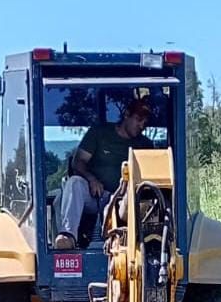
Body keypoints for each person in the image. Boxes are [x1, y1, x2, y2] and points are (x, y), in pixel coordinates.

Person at [54, 98, 153, 249]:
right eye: (138, 119)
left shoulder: (145, 144)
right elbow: (78, 161)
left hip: (126, 201)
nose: (141, 125)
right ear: (126, 114)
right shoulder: (99, 133)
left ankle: (145, 243)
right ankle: (68, 236)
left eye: (144, 123)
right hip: (96, 196)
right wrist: (91, 179)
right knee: (74, 182)